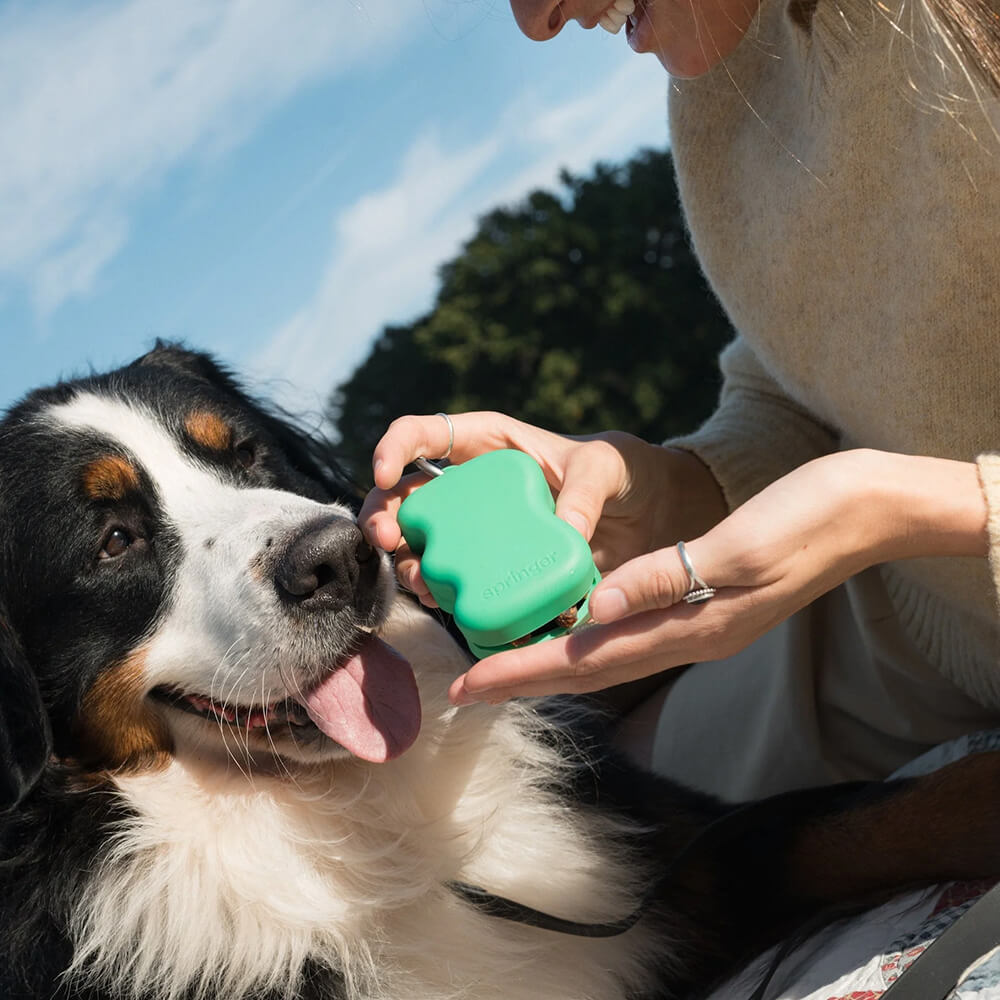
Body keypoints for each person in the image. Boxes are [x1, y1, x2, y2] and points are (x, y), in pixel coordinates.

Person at [359, 0, 1000, 805]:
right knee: (607, 814)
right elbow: (794, 384)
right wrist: (657, 492)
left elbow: (872, 500)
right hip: (925, 625)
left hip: (923, 556)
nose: (537, 23)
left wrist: (895, 509)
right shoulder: (720, 84)